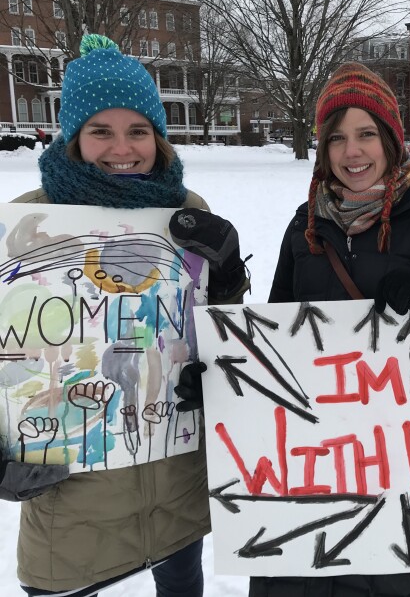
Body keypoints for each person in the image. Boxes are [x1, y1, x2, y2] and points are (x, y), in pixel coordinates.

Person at [1, 33, 249, 597]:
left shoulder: (186, 214)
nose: (123, 148)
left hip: (174, 488)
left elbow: (216, 324)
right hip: (71, 507)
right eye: (101, 131)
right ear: (73, 138)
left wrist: (228, 278)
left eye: (138, 130)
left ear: (157, 137)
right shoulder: (23, 227)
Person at [257, 62, 410, 597]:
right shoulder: (306, 228)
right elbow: (272, 334)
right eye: (336, 138)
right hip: (318, 470)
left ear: (390, 140)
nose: (352, 152)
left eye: (366, 134)